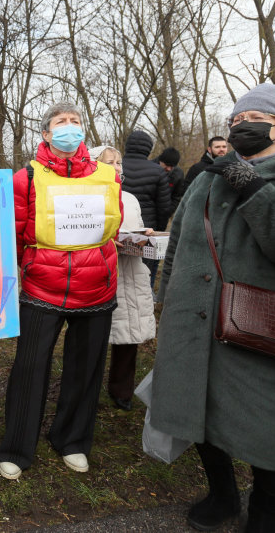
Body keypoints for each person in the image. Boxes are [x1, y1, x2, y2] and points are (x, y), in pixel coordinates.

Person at [150, 84, 275, 532]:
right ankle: (223, 495)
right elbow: (180, 241)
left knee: (270, 423)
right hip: (192, 318)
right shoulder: (208, 177)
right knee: (196, 408)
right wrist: (165, 299)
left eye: (254, 117)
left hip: (262, 324)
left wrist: (252, 186)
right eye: (235, 119)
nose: (241, 125)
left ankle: (268, 508)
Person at [0, 102, 122, 480]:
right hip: (42, 288)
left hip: (95, 289)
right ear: (46, 134)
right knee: (30, 368)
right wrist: (21, 269)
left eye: (75, 121)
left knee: (85, 370)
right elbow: (14, 234)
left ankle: (73, 441)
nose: (70, 127)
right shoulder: (26, 178)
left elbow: (112, 229)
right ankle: (17, 448)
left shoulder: (107, 175)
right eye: (60, 123)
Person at [92, 146, 156, 412]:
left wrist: (145, 235)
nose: (117, 167)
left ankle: (122, 390)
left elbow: (134, 231)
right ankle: (88, 388)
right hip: (101, 274)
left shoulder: (129, 198)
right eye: (110, 162)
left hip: (132, 271)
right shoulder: (87, 196)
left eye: (119, 163)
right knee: (96, 336)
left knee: (130, 332)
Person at [121, 130, 171, 284]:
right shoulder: (157, 171)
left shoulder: (113, 167)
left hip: (118, 228)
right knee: (143, 273)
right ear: (149, 149)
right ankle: (146, 300)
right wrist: (158, 229)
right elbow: (163, 207)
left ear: (127, 146)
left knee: (119, 271)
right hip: (146, 232)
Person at [155, 146, 185, 213]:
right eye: (167, 165)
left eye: (172, 166)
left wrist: (168, 212)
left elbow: (176, 197)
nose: (169, 169)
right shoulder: (148, 167)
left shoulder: (178, 174)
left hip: (164, 214)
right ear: (161, 161)